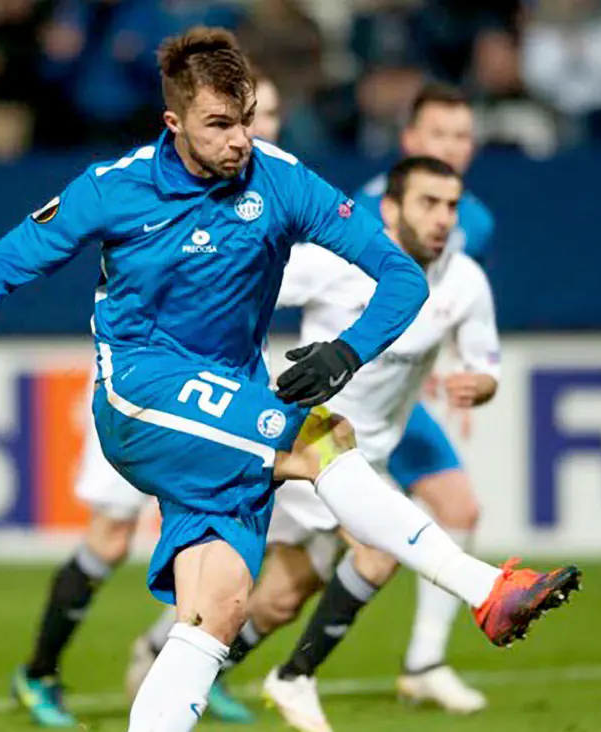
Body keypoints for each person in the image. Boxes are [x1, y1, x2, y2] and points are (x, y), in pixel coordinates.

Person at [0, 27, 579, 732]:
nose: (239, 139)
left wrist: (347, 352)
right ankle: (486, 589)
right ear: (174, 124)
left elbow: (400, 275)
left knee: (219, 608)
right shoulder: (114, 190)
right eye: (220, 124)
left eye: (247, 118)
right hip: (140, 393)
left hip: (228, 398)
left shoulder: (282, 181)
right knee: (323, 439)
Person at [7, 67, 284, 729]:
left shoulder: (271, 194)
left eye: (265, 117)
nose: (258, 130)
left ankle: (185, 662)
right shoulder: (156, 191)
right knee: (108, 537)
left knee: (226, 548)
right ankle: (39, 671)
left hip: (220, 402)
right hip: (142, 396)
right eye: (248, 116)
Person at [209, 156, 503, 732]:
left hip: (368, 453)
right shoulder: (339, 262)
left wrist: (482, 384)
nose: (444, 218)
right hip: (305, 439)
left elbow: (486, 360)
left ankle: (197, 670)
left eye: (452, 206)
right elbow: (242, 288)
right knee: (380, 551)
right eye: (428, 203)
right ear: (390, 208)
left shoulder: (466, 281)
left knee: (280, 600)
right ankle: (293, 678)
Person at [355, 82, 501, 709]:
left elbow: (447, 304)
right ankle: (180, 643)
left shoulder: (478, 222)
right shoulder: (359, 214)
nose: (453, 147)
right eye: (439, 135)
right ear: (409, 142)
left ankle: (424, 662)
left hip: (399, 408)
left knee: (459, 508)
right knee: (292, 568)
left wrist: (469, 373)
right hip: (341, 409)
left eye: (463, 136)